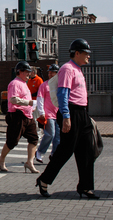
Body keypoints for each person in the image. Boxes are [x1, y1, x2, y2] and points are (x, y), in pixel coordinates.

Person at [36, 38, 99, 199]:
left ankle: (85, 187)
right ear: (77, 53)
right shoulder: (67, 68)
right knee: (65, 150)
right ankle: (44, 180)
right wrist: (66, 116)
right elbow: (63, 93)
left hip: (82, 113)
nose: (88, 57)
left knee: (87, 151)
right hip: (71, 112)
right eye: (86, 53)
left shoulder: (77, 69)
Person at [0, 61, 39, 173]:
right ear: (19, 72)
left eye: (29, 72)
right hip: (17, 115)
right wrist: (29, 103)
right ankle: (1, 159)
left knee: (34, 139)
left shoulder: (24, 83)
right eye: (26, 72)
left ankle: (30, 162)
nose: (28, 74)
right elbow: (13, 99)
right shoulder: (15, 83)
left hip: (28, 116)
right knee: (12, 141)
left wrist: (32, 107)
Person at [35, 64, 60, 163]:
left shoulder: (60, 86)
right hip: (48, 113)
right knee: (50, 134)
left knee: (58, 137)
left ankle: (54, 154)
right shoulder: (44, 85)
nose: (50, 74)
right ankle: (40, 152)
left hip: (58, 113)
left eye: (52, 72)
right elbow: (40, 99)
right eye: (49, 72)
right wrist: (41, 112)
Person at [27, 66, 43, 138]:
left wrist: (32, 94)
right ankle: (34, 131)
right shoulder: (29, 80)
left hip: (36, 101)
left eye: (30, 71)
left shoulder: (39, 80)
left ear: (33, 72)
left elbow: (41, 91)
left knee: (36, 117)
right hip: (31, 101)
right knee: (32, 117)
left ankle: (38, 132)